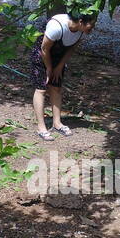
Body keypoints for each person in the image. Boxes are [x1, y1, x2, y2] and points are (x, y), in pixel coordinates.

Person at [31, 10, 97, 140]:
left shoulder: (79, 31)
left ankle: (57, 123)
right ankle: (41, 127)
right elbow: (44, 49)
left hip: (58, 57)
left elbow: (71, 48)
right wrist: (49, 68)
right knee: (41, 88)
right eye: (91, 25)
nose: (92, 29)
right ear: (80, 21)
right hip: (42, 55)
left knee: (56, 88)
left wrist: (60, 66)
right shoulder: (57, 27)